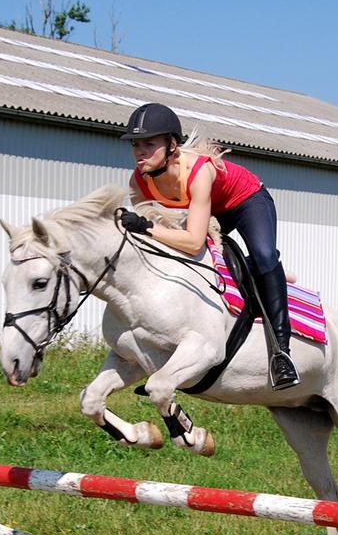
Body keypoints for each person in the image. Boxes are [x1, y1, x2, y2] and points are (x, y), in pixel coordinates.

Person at [116, 103, 300, 390]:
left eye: (149, 144)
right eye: (136, 145)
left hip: (246, 200)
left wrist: (148, 227)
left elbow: (191, 241)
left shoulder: (198, 172)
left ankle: (281, 354)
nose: (140, 152)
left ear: (172, 146)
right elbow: (159, 239)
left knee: (264, 256)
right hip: (207, 209)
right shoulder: (138, 182)